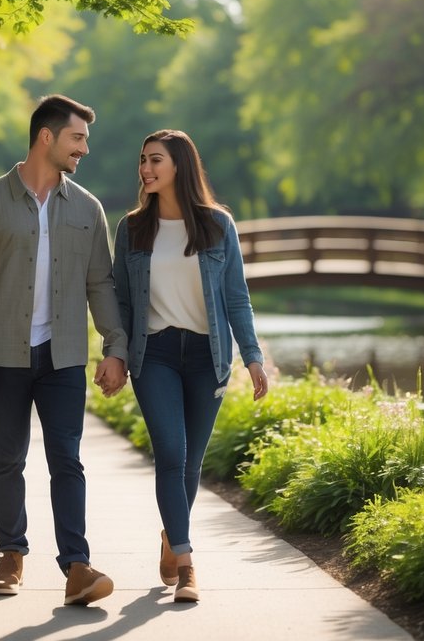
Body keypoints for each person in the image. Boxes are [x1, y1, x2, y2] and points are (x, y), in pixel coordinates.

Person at [0, 94, 129, 606]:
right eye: (78, 138)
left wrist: (114, 348)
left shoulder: (88, 209)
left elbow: (101, 284)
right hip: (3, 355)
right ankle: (11, 554)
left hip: (64, 355)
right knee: (8, 457)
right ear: (47, 137)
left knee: (67, 460)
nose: (85, 150)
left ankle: (76, 566)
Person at [111, 129, 269, 604]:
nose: (145, 168)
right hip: (154, 353)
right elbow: (119, 298)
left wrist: (253, 356)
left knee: (191, 464)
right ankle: (186, 564)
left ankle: (169, 536)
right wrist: (114, 353)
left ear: (180, 163)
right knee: (171, 455)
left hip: (208, 356)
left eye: (155, 159)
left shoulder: (218, 226)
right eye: (142, 160)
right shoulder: (133, 228)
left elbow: (237, 299)